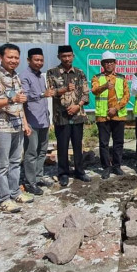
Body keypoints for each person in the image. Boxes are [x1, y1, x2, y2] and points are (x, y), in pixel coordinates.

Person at [0, 43, 33, 213]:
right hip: (2, 126)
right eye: (10, 57)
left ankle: (15, 192)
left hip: (17, 125)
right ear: (0, 57)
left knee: (14, 162)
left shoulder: (16, 77)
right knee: (2, 165)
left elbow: (20, 103)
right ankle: (3, 199)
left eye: (16, 57)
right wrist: (10, 101)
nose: (13, 60)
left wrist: (25, 124)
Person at [46, 45, 90, 186]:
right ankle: (63, 173)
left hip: (77, 115)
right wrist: (64, 90)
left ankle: (79, 171)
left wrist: (78, 106)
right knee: (62, 146)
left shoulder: (80, 73)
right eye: (63, 56)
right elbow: (52, 92)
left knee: (78, 145)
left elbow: (85, 93)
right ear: (59, 57)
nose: (67, 58)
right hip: (62, 116)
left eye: (69, 56)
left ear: (73, 56)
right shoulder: (52, 73)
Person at [20, 48, 55, 195]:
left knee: (42, 151)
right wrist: (42, 94)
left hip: (43, 121)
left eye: (41, 60)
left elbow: (44, 100)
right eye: (36, 60)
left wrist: (48, 118)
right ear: (29, 60)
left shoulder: (41, 76)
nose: (39, 63)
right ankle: (29, 182)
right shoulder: (24, 76)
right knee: (31, 153)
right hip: (32, 122)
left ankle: (38, 177)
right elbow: (25, 97)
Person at [91, 51, 130, 180]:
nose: (109, 64)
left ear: (115, 63)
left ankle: (117, 166)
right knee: (104, 143)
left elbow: (126, 96)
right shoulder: (97, 78)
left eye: (111, 62)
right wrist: (105, 86)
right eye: (106, 62)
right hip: (103, 116)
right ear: (102, 64)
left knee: (118, 142)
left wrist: (116, 108)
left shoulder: (121, 78)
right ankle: (106, 167)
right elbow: (94, 91)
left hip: (118, 115)